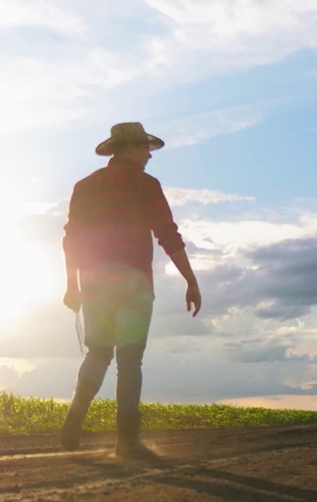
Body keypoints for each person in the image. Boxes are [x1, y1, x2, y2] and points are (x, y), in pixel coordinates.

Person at [59, 122, 202, 459]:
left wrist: (71, 284)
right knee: (129, 360)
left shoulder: (84, 186)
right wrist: (190, 280)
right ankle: (126, 441)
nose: (149, 154)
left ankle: (76, 414)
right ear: (129, 149)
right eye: (144, 147)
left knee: (97, 352)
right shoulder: (146, 185)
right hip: (133, 282)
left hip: (94, 283)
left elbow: (72, 239)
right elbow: (168, 234)